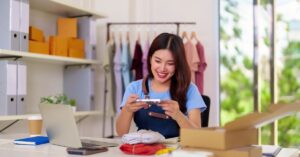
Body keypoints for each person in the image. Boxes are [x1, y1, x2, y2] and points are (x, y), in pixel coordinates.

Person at [116, 33, 206, 138]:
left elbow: (197, 136)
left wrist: (178, 115)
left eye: (170, 63)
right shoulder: (134, 88)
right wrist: (127, 110)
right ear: (150, 59)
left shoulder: (189, 89)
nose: (162, 68)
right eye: (158, 61)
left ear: (178, 64)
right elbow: (121, 133)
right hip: (145, 151)